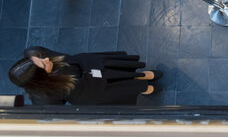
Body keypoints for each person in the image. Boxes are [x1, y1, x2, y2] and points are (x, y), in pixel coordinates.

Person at [8, 47, 161, 105]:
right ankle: (145, 88)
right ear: (39, 77)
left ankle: (143, 76)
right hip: (93, 91)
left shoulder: (35, 53)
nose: (46, 59)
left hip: (89, 64)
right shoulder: (42, 97)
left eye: (40, 59)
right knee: (121, 87)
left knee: (118, 71)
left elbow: (34, 52)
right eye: (42, 64)